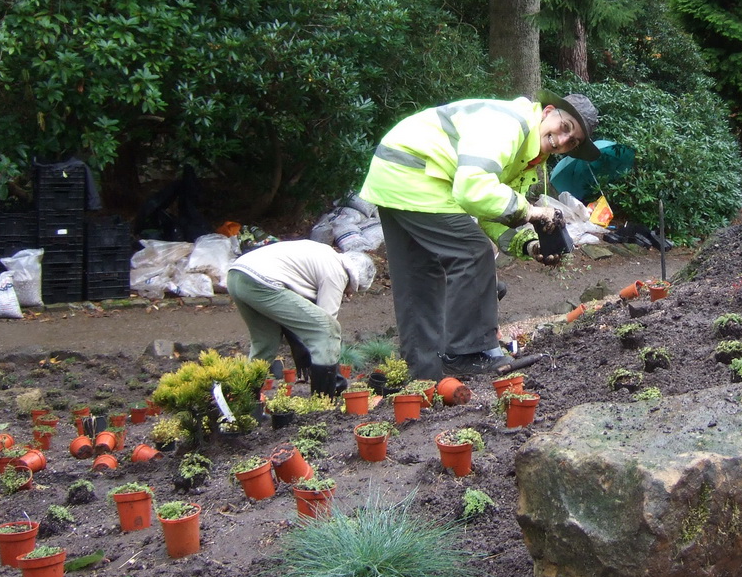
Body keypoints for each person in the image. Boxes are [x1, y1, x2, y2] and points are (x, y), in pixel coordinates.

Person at [359, 90, 601, 379]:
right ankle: (468, 353)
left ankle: (426, 374)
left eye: (571, 142)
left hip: (394, 177)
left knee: (419, 279)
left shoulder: (530, 160)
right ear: (549, 111)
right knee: (473, 252)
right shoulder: (509, 125)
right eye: (565, 128)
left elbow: (493, 211)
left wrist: (529, 245)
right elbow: (472, 188)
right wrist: (533, 213)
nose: (562, 141)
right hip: (413, 171)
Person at [225, 240, 372, 395]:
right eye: (353, 290)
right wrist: (334, 377)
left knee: (265, 343)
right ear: (354, 280)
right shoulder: (338, 273)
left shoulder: (325, 255)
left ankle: (244, 399)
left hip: (237, 276)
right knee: (327, 329)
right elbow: (325, 328)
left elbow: (296, 314)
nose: (348, 295)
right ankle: (323, 401)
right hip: (261, 282)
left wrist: (300, 346)